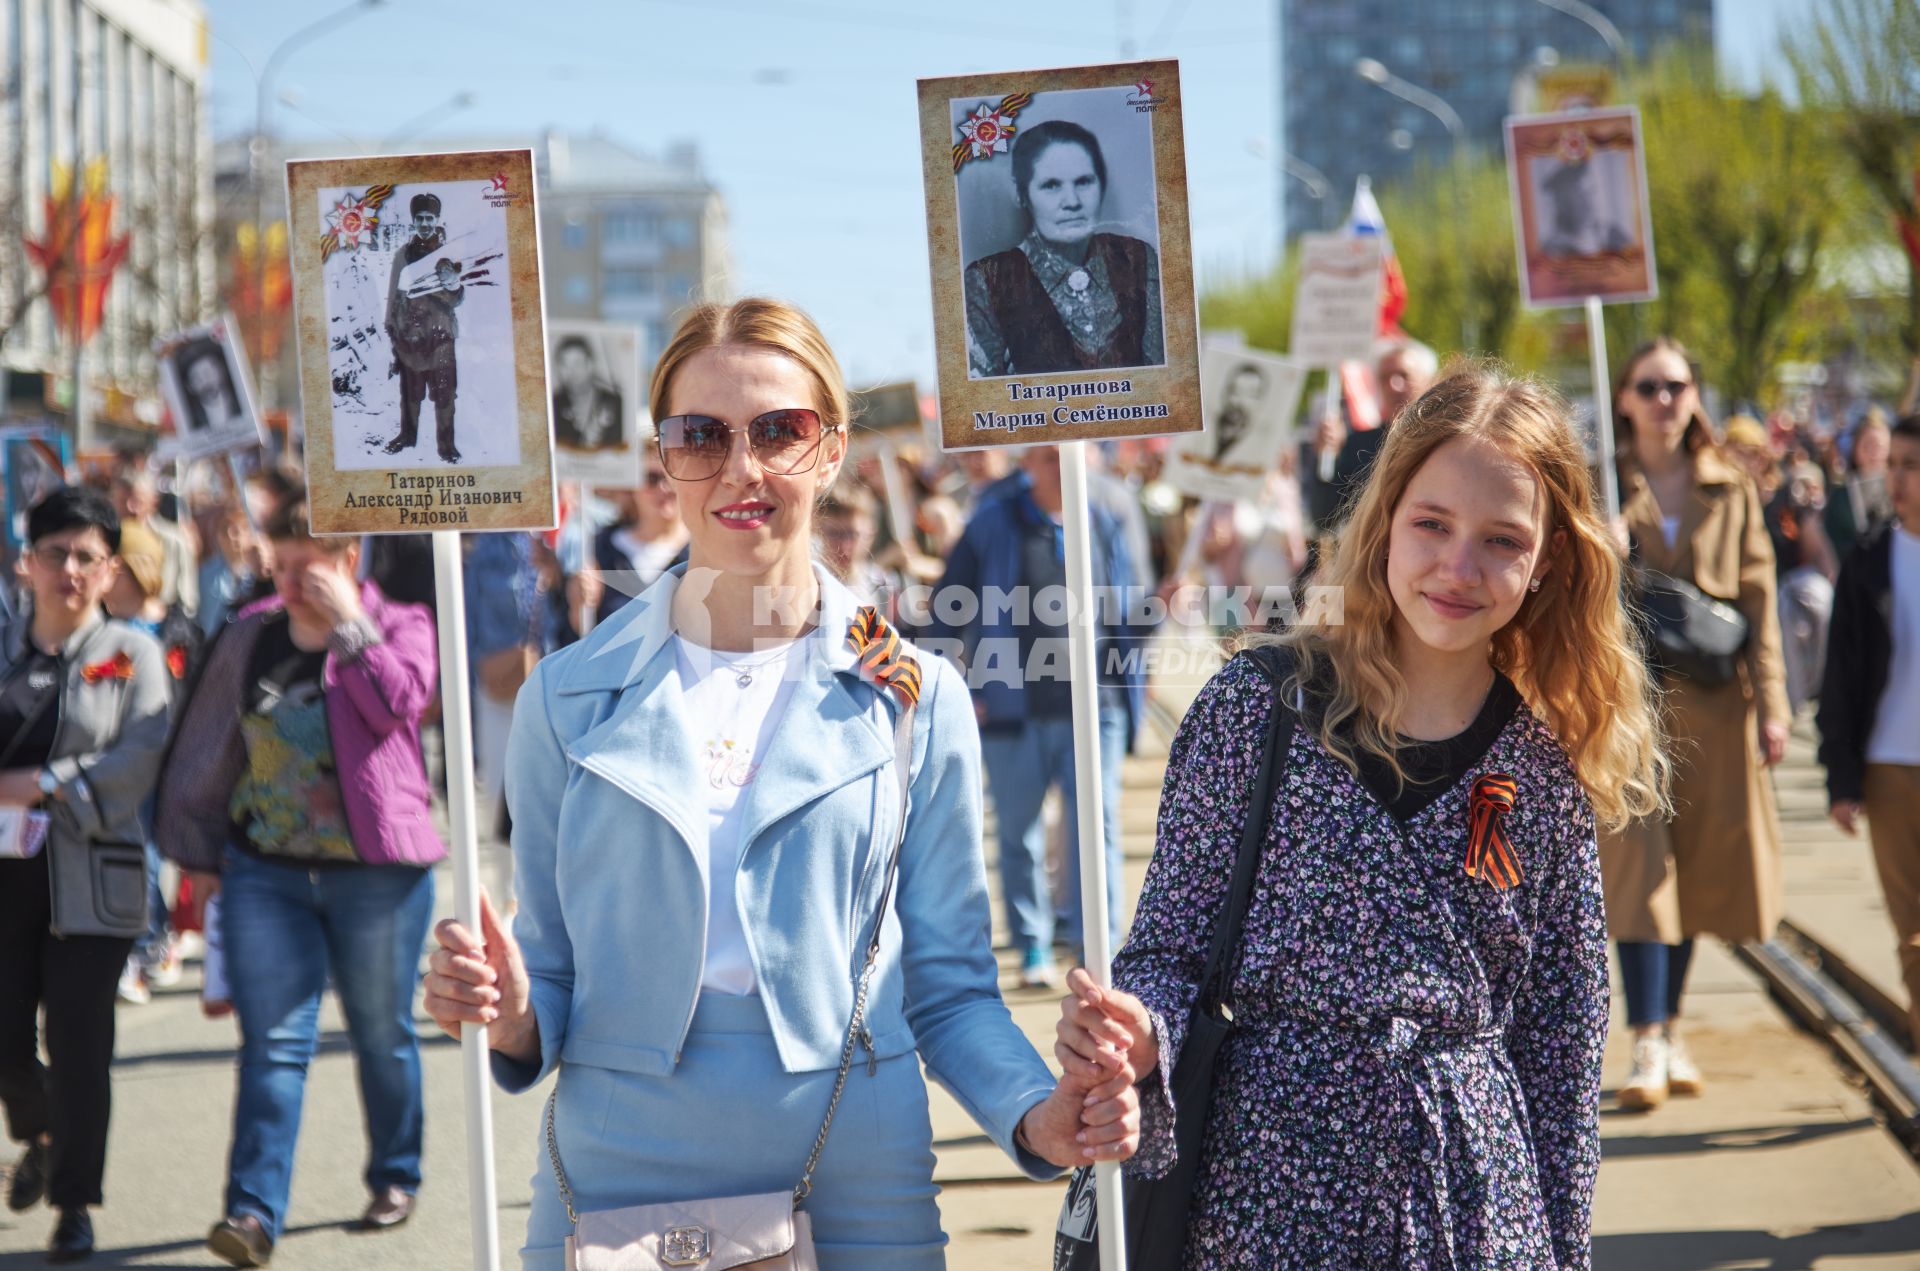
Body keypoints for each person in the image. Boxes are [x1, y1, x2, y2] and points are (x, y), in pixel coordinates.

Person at [420, 298, 1140, 1270]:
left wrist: (1037, 1114)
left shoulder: (919, 699)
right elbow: (548, 972)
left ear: (831, 448)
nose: (741, 468)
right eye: (701, 434)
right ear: (663, 456)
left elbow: (951, 989)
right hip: (613, 1179)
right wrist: (503, 1006)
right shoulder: (567, 696)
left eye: (780, 431)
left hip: (856, 1180)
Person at [1055, 363, 1665, 1267]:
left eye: (1502, 539)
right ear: (1384, 524)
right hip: (1265, 1191)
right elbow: (1170, 949)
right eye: (1432, 524)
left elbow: (1561, 1054)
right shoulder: (1253, 709)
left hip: (1470, 1205)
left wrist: (1563, 1250)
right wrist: (1140, 1025)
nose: (1459, 567)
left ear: (1547, 564)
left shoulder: (1542, 773)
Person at [154, 494, 444, 1268]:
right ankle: (250, 1213)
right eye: (276, 565)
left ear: (349, 558)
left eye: (304, 565)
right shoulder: (251, 633)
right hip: (266, 873)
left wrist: (351, 624)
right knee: (274, 1045)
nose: (285, 581)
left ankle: (395, 1174)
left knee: (383, 1034)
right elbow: (208, 743)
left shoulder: (403, 624)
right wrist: (200, 854)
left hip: (376, 876)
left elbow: (397, 704)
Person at [1602, 337, 1790, 1110]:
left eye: (1676, 385)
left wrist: (1774, 704)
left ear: (1694, 394)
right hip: (1626, 705)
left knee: (1699, 873)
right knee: (1641, 874)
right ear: (1624, 399)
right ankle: (1647, 1039)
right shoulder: (1598, 487)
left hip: (1714, 706)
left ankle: (1669, 1026)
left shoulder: (1731, 487)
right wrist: (1598, 548)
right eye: (1648, 386)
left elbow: (1759, 601)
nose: (1663, 400)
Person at [0, 486, 172, 1263]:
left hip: (88, 878)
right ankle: (36, 1126)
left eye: (87, 556)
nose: (69, 568)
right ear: (25, 564)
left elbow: (141, 752)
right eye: (55, 553)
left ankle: (74, 1202)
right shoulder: (3, 646)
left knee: (78, 1047)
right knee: (5, 1040)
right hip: (4, 877)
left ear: (110, 571)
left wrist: (46, 783)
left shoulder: (132, 652)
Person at [930, 445, 1152, 985]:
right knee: (1018, 833)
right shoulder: (991, 522)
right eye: (1049, 455)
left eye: (1072, 454)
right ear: (1026, 463)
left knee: (1096, 829)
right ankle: (1033, 948)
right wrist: (963, 683)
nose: (1064, 464)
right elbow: (945, 609)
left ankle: (1098, 952)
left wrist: (1158, 606)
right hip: (1012, 711)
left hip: (1094, 707)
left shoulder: (1104, 519)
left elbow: (1132, 612)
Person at [1819, 414, 1920, 1041]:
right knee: (1913, 929)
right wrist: (1841, 778)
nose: (1899, 479)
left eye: (1914, 465)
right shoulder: (1870, 559)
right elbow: (1842, 676)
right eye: (1895, 464)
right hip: (1889, 769)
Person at [964, 119, 1164, 378]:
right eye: (1051, 185)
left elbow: (1161, 384)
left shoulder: (1137, 258)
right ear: (1021, 193)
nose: (1072, 202)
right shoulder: (987, 279)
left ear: (1101, 184)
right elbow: (985, 404)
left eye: (1084, 182)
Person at [1306, 337, 1441, 532]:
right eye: (1385, 377)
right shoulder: (1358, 444)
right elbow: (1324, 519)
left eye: (1404, 375)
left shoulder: (1446, 444)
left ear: (1430, 382)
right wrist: (1326, 457)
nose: (1394, 385)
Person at [383, 192, 465, 463]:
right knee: (410, 393)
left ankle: (447, 446)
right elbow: (394, 297)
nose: (425, 223)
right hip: (410, 338)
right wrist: (393, 333)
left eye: (430, 218)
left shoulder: (449, 252)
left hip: (441, 336)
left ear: (437, 219)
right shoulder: (403, 255)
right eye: (420, 218)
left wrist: (452, 284)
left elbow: (457, 297)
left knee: (444, 393)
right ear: (413, 221)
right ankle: (407, 437)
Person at [591, 453, 688, 625]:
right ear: (631, 487)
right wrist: (577, 612)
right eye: (651, 478)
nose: (663, 487)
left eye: (672, 477)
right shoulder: (599, 549)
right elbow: (574, 638)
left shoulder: (706, 551)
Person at [1826, 409, 1895, 563]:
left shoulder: (1902, 493)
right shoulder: (1840, 497)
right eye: (1867, 446)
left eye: (1880, 447)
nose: (1874, 453)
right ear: (1855, 449)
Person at [551, 335, 625, 451]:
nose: (571, 371)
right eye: (565, 365)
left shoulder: (614, 402)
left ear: (590, 365)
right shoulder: (552, 404)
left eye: (577, 364)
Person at [179, 341, 242, 433]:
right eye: (197, 376)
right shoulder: (191, 419)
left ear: (221, 370)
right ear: (189, 386)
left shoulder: (242, 401)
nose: (205, 378)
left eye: (207, 371)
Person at [1210, 362, 1267, 464]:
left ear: (1260, 401)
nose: (1240, 402)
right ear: (1225, 393)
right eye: (1235, 392)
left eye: (1251, 395)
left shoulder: (1260, 443)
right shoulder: (1207, 426)